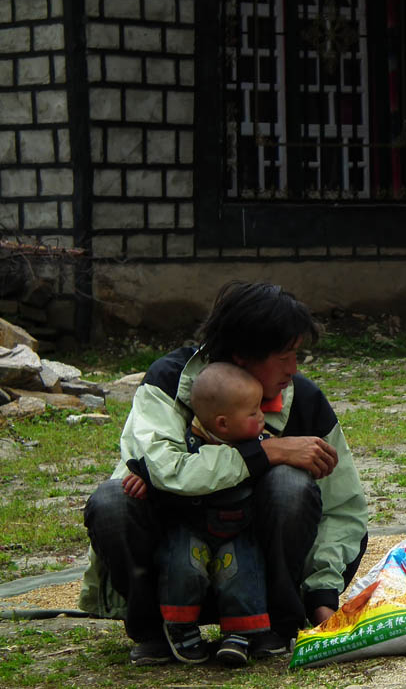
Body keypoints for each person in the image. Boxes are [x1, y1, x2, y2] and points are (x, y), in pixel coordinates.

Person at [80, 281, 369, 665]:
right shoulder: (167, 382)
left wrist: (321, 598)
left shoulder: (307, 402)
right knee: (113, 500)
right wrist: (265, 452)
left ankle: (276, 627)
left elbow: (343, 509)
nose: (294, 369)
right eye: (285, 356)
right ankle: (156, 631)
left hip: (256, 581)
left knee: (290, 486)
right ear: (242, 355)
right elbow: (167, 470)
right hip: (175, 571)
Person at [121, 362, 276, 666]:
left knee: (242, 574)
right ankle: (180, 630)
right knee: (181, 569)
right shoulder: (187, 441)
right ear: (222, 423)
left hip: (238, 528)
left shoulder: (261, 441)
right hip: (189, 526)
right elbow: (168, 470)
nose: (262, 416)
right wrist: (145, 478)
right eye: (253, 412)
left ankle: (241, 634)